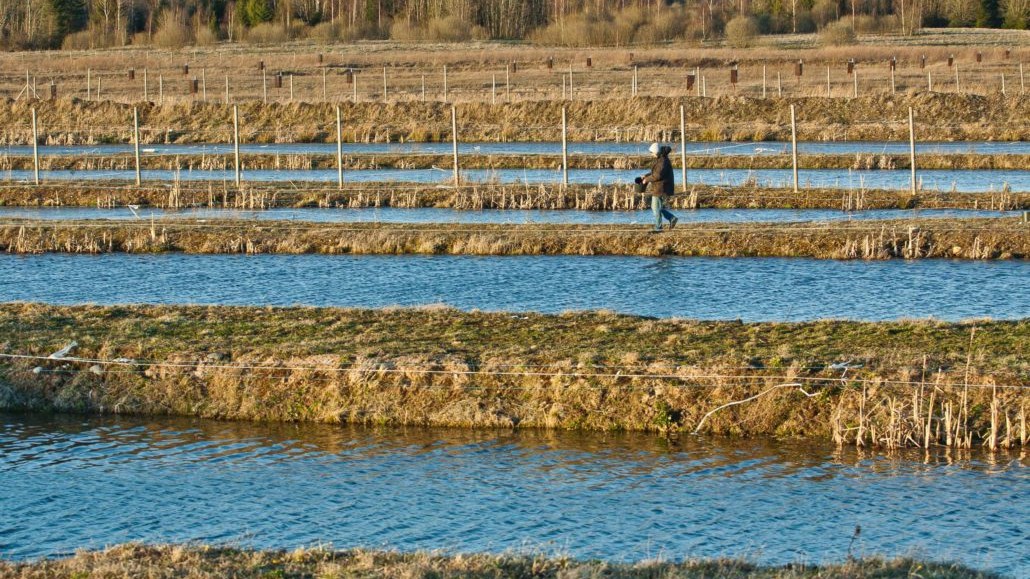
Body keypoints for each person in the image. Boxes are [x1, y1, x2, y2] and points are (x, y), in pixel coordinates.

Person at [641, 142, 677, 233]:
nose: (651, 154)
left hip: (661, 187)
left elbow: (657, 176)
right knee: (657, 208)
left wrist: (647, 180)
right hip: (659, 187)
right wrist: (646, 176)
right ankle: (671, 219)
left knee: (655, 208)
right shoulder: (660, 159)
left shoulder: (663, 161)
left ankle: (659, 227)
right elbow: (655, 173)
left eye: (652, 152)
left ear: (656, 152)